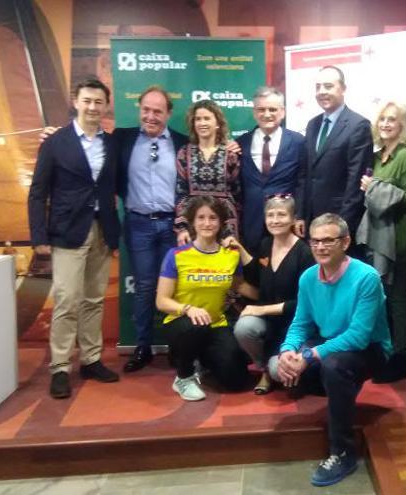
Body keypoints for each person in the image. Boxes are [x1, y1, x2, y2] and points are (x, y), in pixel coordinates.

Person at [269, 213, 392, 487]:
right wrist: (289, 350)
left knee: (333, 366)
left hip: (370, 350)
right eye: (315, 241)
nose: (321, 247)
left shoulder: (367, 277)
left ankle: (344, 451)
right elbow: (300, 323)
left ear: (345, 242)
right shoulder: (308, 277)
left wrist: (311, 355)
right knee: (278, 367)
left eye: (328, 240)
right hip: (332, 344)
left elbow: (358, 337)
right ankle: (336, 389)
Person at [27, 78, 120, 398]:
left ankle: (91, 359)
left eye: (99, 102)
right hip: (67, 231)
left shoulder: (110, 143)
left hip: (102, 229)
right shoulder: (56, 142)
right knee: (67, 300)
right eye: (87, 101)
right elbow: (38, 192)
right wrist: (38, 235)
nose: (93, 107)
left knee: (94, 299)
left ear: (106, 106)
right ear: (76, 102)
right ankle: (60, 367)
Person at [116, 86, 189, 373]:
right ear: (139, 110)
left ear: (169, 113)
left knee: (180, 287)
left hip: (175, 226)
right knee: (146, 287)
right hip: (139, 225)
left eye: (158, 111)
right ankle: (143, 346)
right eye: (146, 109)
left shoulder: (183, 143)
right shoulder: (122, 139)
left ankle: (181, 348)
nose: (151, 116)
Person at [155, 196, 254, 401]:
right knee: (195, 326)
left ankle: (204, 359)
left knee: (235, 380)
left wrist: (275, 298)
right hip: (180, 323)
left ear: (221, 223)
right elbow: (162, 301)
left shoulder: (230, 255)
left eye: (213, 218)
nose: (207, 223)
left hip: (215, 323)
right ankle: (184, 376)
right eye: (201, 218)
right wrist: (188, 309)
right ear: (192, 222)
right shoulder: (176, 255)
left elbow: (240, 286)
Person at [357, 101, 406, 382]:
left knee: (397, 298)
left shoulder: (405, 157)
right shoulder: (378, 156)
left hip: (401, 240)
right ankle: (384, 353)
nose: (385, 124)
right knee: (383, 298)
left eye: (392, 120)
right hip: (379, 238)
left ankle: (400, 358)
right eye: (382, 119)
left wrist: (376, 189)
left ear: (402, 125)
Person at [230, 195, 314, 394]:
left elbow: (305, 304)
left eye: (281, 215)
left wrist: (261, 309)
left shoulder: (305, 253)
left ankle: (275, 369)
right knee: (244, 327)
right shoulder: (266, 244)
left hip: (294, 324)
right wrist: (240, 249)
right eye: (270, 215)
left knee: (280, 372)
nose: (275, 220)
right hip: (268, 322)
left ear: (293, 219)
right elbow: (257, 275)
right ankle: (264, 368)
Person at [297, 65, 373, 243]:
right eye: (318, 87)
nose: (322, 91)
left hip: (338, 221)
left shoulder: (358, 125)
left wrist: (342, 226)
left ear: (343, 89)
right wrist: (300, 214)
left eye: (328, 86)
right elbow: (305, 174)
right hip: (311, 220)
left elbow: (356, 182)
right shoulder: (312, 124)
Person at [236, 87, 307, 253]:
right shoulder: (241, 143)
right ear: (254, 112)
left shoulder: (298, 142)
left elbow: (303, 182)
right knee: (252, 273)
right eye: (261, 109)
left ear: (282, 112)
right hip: (251, 223)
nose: (267, 114)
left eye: (273, 109)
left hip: (285, 223)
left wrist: (299, 215)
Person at [174, 99, 241, 245]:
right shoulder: (184, 153)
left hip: (225, 225)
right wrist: (182, 228)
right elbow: (181, 193)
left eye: (207, 118)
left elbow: (237, 194)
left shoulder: (230, 154)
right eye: (198, 119)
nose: (202, 123)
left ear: (217, 123)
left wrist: (231, 229)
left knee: (224, 266)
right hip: (193, 224)